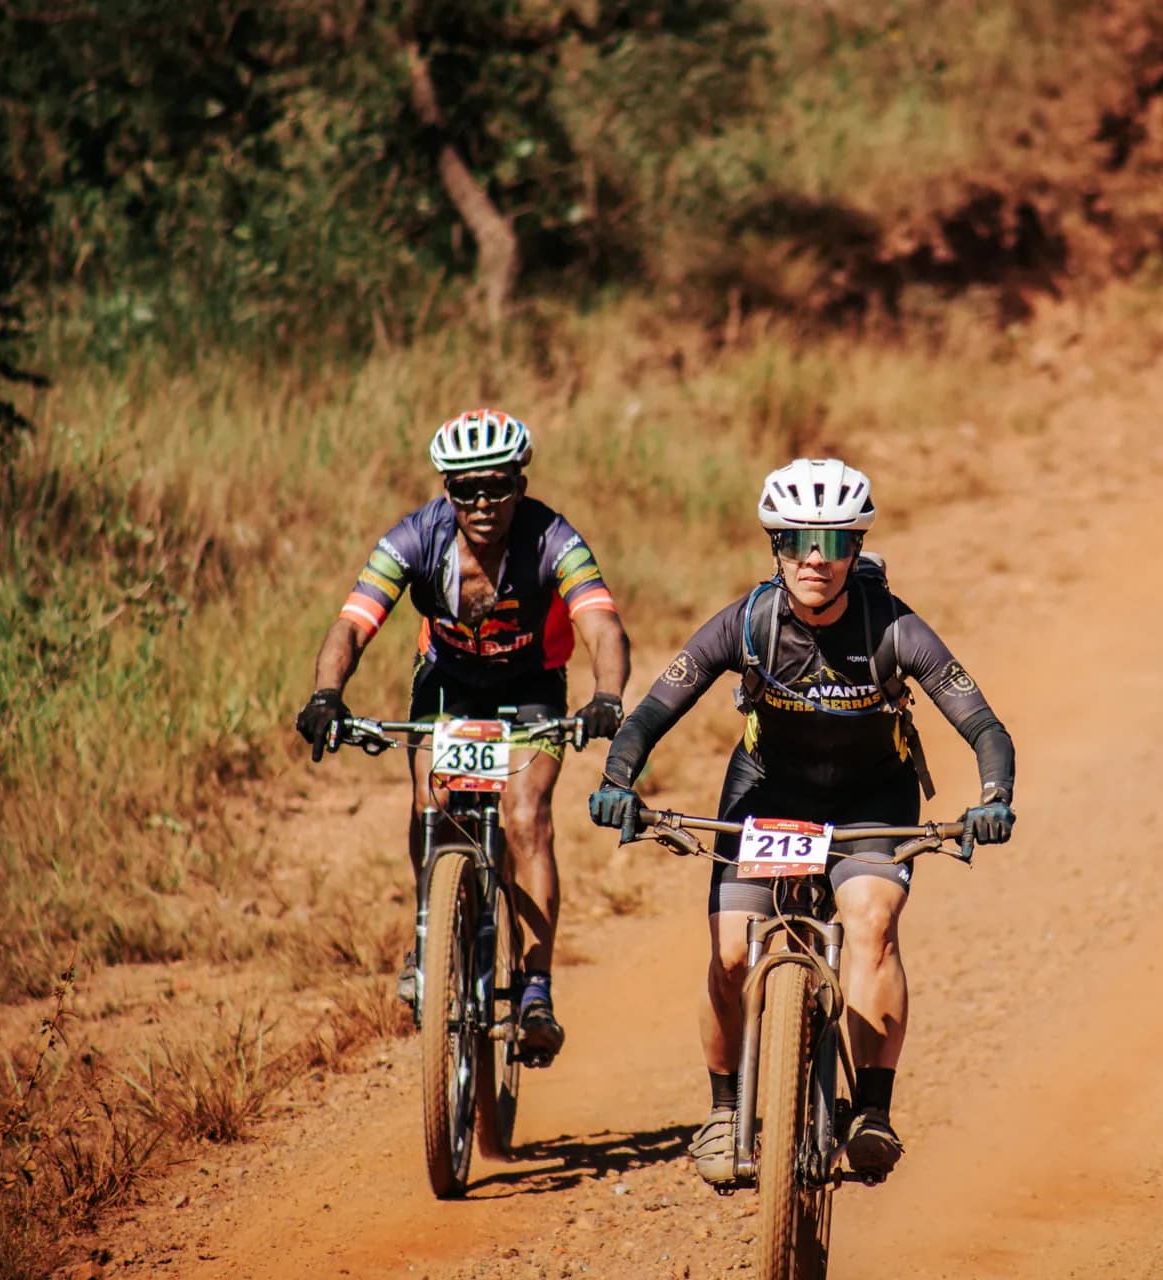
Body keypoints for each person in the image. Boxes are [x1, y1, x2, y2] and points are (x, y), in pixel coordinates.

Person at [587, 457, 1015, 1183]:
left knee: (872, 921)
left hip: (870, 800)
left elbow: (983, 725)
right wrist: (617, 779)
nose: (816, 556)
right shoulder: (747, 623)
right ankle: (725, 1114)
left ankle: (871, 1113)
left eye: (836, 540)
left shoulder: (894, 627)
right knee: (729, 955)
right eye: (798, 540)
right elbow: (654, 710)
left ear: (857, 549)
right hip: (768, 794)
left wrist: (995, 794)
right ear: (774, 547)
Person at [295, 408, 631, 1062]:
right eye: (465, 488)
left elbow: (601, 623)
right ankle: (430, 939)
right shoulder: (416, 539)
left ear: (521, 484)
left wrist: (608, 696)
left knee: (528, 816)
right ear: (446, 490)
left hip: (532, 685)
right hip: (447, 682)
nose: (482, 503)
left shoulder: (553, 539)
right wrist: (327, 694)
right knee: (432, 803)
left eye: (498, 486)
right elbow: (355, 622)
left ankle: (535, 987)